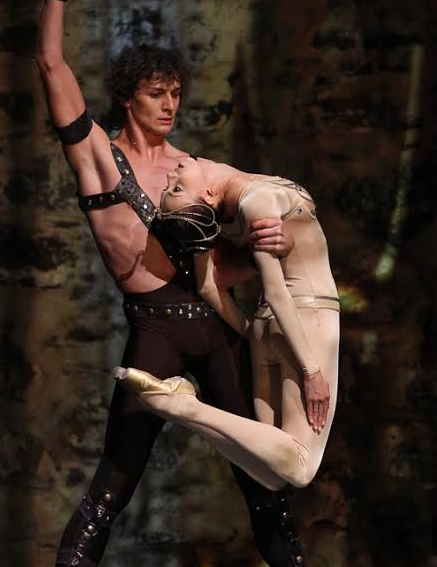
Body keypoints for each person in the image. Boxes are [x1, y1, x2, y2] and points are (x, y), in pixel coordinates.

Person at [18, 0, 362, 567]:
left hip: (216, 329)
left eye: (176, 92)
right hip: (156, 334)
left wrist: (270, 235)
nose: (170, 104)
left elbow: (244, 233)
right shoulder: (98, 156)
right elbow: (50, 64)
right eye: (157, 93)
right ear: (128, 97)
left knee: (264, 489)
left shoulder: (192, 170)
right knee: (113, 485)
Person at [116, 157, 339, 492]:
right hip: (307, 319)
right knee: (302, 467)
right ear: (208, 195)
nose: (172, 173)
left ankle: (180, 408)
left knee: (273, 476)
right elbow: (276, 292)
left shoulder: (221, 219)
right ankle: (185, 407)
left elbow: (209, 286)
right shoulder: (257, 200)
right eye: (176, 188)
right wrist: (311, 371)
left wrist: (252, 335)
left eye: (172, 186)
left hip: (266, 329)